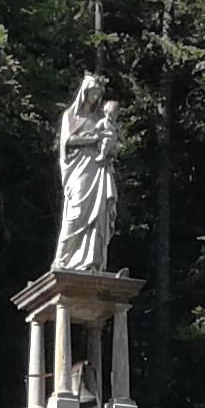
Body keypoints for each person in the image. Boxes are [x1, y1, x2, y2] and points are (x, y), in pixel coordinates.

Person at [53, 74, 119, 273]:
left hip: (98, 168)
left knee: (98, 215)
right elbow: (67, 142)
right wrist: (93, 139)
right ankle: (63, 260)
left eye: (98, 93)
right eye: (93, 92)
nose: (95, 96)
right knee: (77, 212)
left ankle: (92, 261)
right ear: (85, 92)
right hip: (79, 169)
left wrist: (109, 148)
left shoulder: (101, 118)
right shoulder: (71, 116)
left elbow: (110, 140)